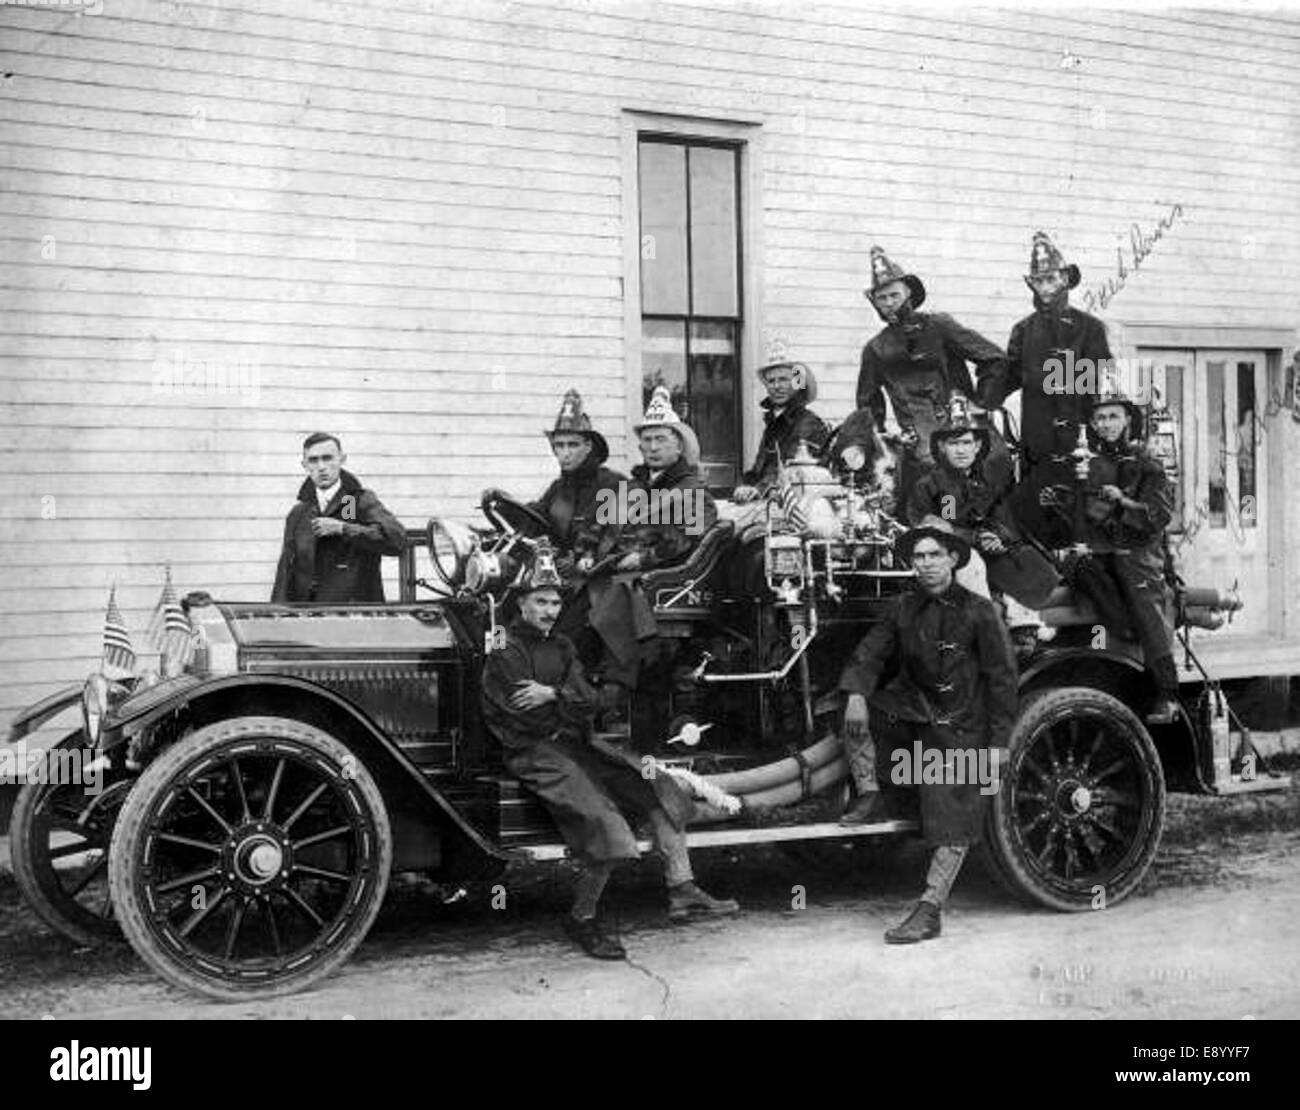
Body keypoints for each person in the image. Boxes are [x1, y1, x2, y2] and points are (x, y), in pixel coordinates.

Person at [480, 546, 738, 961]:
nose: (549, 609)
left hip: (576, 741)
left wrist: (553, 694)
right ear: (522, 603)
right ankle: (582, 916)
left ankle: (681, 889)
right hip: (534, 751)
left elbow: (595, 700)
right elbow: (523, 716)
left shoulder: (563, 645)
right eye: (540, 601)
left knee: (654, 784)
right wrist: (571, 699)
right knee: (607, 825)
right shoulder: (505, 650)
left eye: (555, 601)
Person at [837, 517, 1018, 944]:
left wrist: (998, 745)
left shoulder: (980, 611)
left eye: (935, 555)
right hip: (912, 710)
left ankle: (930, 909)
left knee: (949, 814)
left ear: (953, 559)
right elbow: (868, 655)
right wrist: (857, 695)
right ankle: (870, 793)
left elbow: (1003, 680)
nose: (927, 564)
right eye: (919, 557)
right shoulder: (903, 607)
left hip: (959, 725)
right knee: (846, 706)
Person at [586, 386, 718, 720]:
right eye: (647, 440)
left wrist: (645, 559)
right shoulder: (629, 487)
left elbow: (687, 539)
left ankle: (611, 693)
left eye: (661, 439)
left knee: (609, 603)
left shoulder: (690, 488)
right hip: (610, 570)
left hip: (656, 580)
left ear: (679, 445)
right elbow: (597, 524)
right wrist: (585, 550)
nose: (652, 447)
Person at [986, 231, 1114, 548]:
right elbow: (1004, 381)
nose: (1045, 287)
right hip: (1037, 447)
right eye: (1038, 281)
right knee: (1038, 524)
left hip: (1082, 448)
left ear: (1066, 280)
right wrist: (980, 398)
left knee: (1084, 527)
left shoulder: (1090, 329)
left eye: (1051, 279)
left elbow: (1099, 390)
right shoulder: (1024, 331)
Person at [853, 245, 1009, 504]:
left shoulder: (939, 326)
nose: (889, 303)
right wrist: (880, 437)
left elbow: (994, 358)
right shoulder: (875, 349)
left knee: (994, 464)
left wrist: (981, 404)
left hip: (966, 427)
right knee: (926, 490)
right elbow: (867, 403)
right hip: (920, 442)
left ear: (909, 293)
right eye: (882, 298)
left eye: (894, 295)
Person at [1075, 385, 1179, 724]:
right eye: (1100, 418)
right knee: (1079, 568)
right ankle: (1123, 640)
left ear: (1127, 419)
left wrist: (1121, 502)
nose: (1106, 424)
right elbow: (1082, 514)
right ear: (1092, 424)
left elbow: (1158, 518)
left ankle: (1167, 693)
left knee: (1146, 600)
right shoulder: (1088, 463)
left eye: (1113, 416)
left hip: (1138, 550)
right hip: (1103, 549)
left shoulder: (1147, 462)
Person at [906, 396, 1060, 613]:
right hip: (954, 554)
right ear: (941, 446)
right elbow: (937, 527)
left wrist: (1000, 538)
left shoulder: (988, 481)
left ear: (977, 446)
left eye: (966, 443)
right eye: (953, 443)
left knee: (1027, 558)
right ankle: (986, 624)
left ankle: (1030, 626)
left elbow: (1003, 517)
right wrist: (975, 538)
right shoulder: (930, 485)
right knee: (973, 565)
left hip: (992, 549)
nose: (961, 451)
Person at [272, 432, 405, 603]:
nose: (321, 467)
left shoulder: (358, 501)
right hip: (309, 618)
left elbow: (397, 540)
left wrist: (343, 528)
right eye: (313, 460)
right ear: (304, 465)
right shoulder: (298, 514)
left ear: (342, 459)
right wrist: (276, 616)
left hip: (353, 616)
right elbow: (285, 572)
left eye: (328, 458)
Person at [529, 388, 627, 567]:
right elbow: (536, 519)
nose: (565, 453)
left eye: (572, 445)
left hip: (599, 579)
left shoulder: (613, 484)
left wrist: (587, 555)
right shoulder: (558, 489)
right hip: (563, 577)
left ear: (588, 446)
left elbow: (612, 538)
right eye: (559, 445)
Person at [732, 357, 829, 503]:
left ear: (797, 384)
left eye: (783, 379)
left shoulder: (808, 423)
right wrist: (744, 486)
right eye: (771, 381)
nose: (777, 386)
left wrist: (758, 490)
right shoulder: (773, 424)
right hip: (767, 500)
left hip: (796, 504)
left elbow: (789, 469)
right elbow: (759, 470)